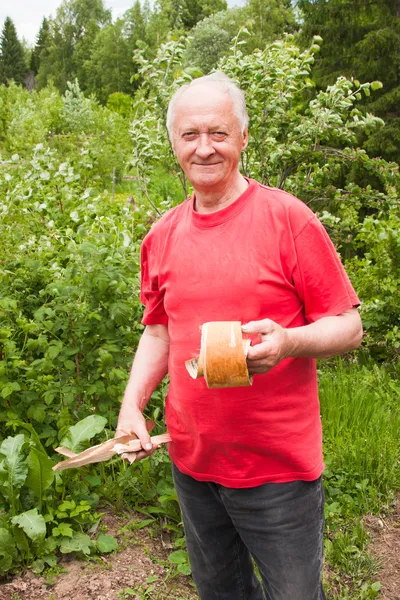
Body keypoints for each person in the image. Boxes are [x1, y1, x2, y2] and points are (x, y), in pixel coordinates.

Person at [116, 72, 362, 600]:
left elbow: (349, 327)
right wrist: (131, 406)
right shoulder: (162, 236)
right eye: (190, 135)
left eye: (218, 133)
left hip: (279, 473)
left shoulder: (287, 219)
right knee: (221, 593)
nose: (204, 148)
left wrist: (288, 342)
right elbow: (159, 332)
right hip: (194, 464)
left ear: (243, 138)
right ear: (174, 144)